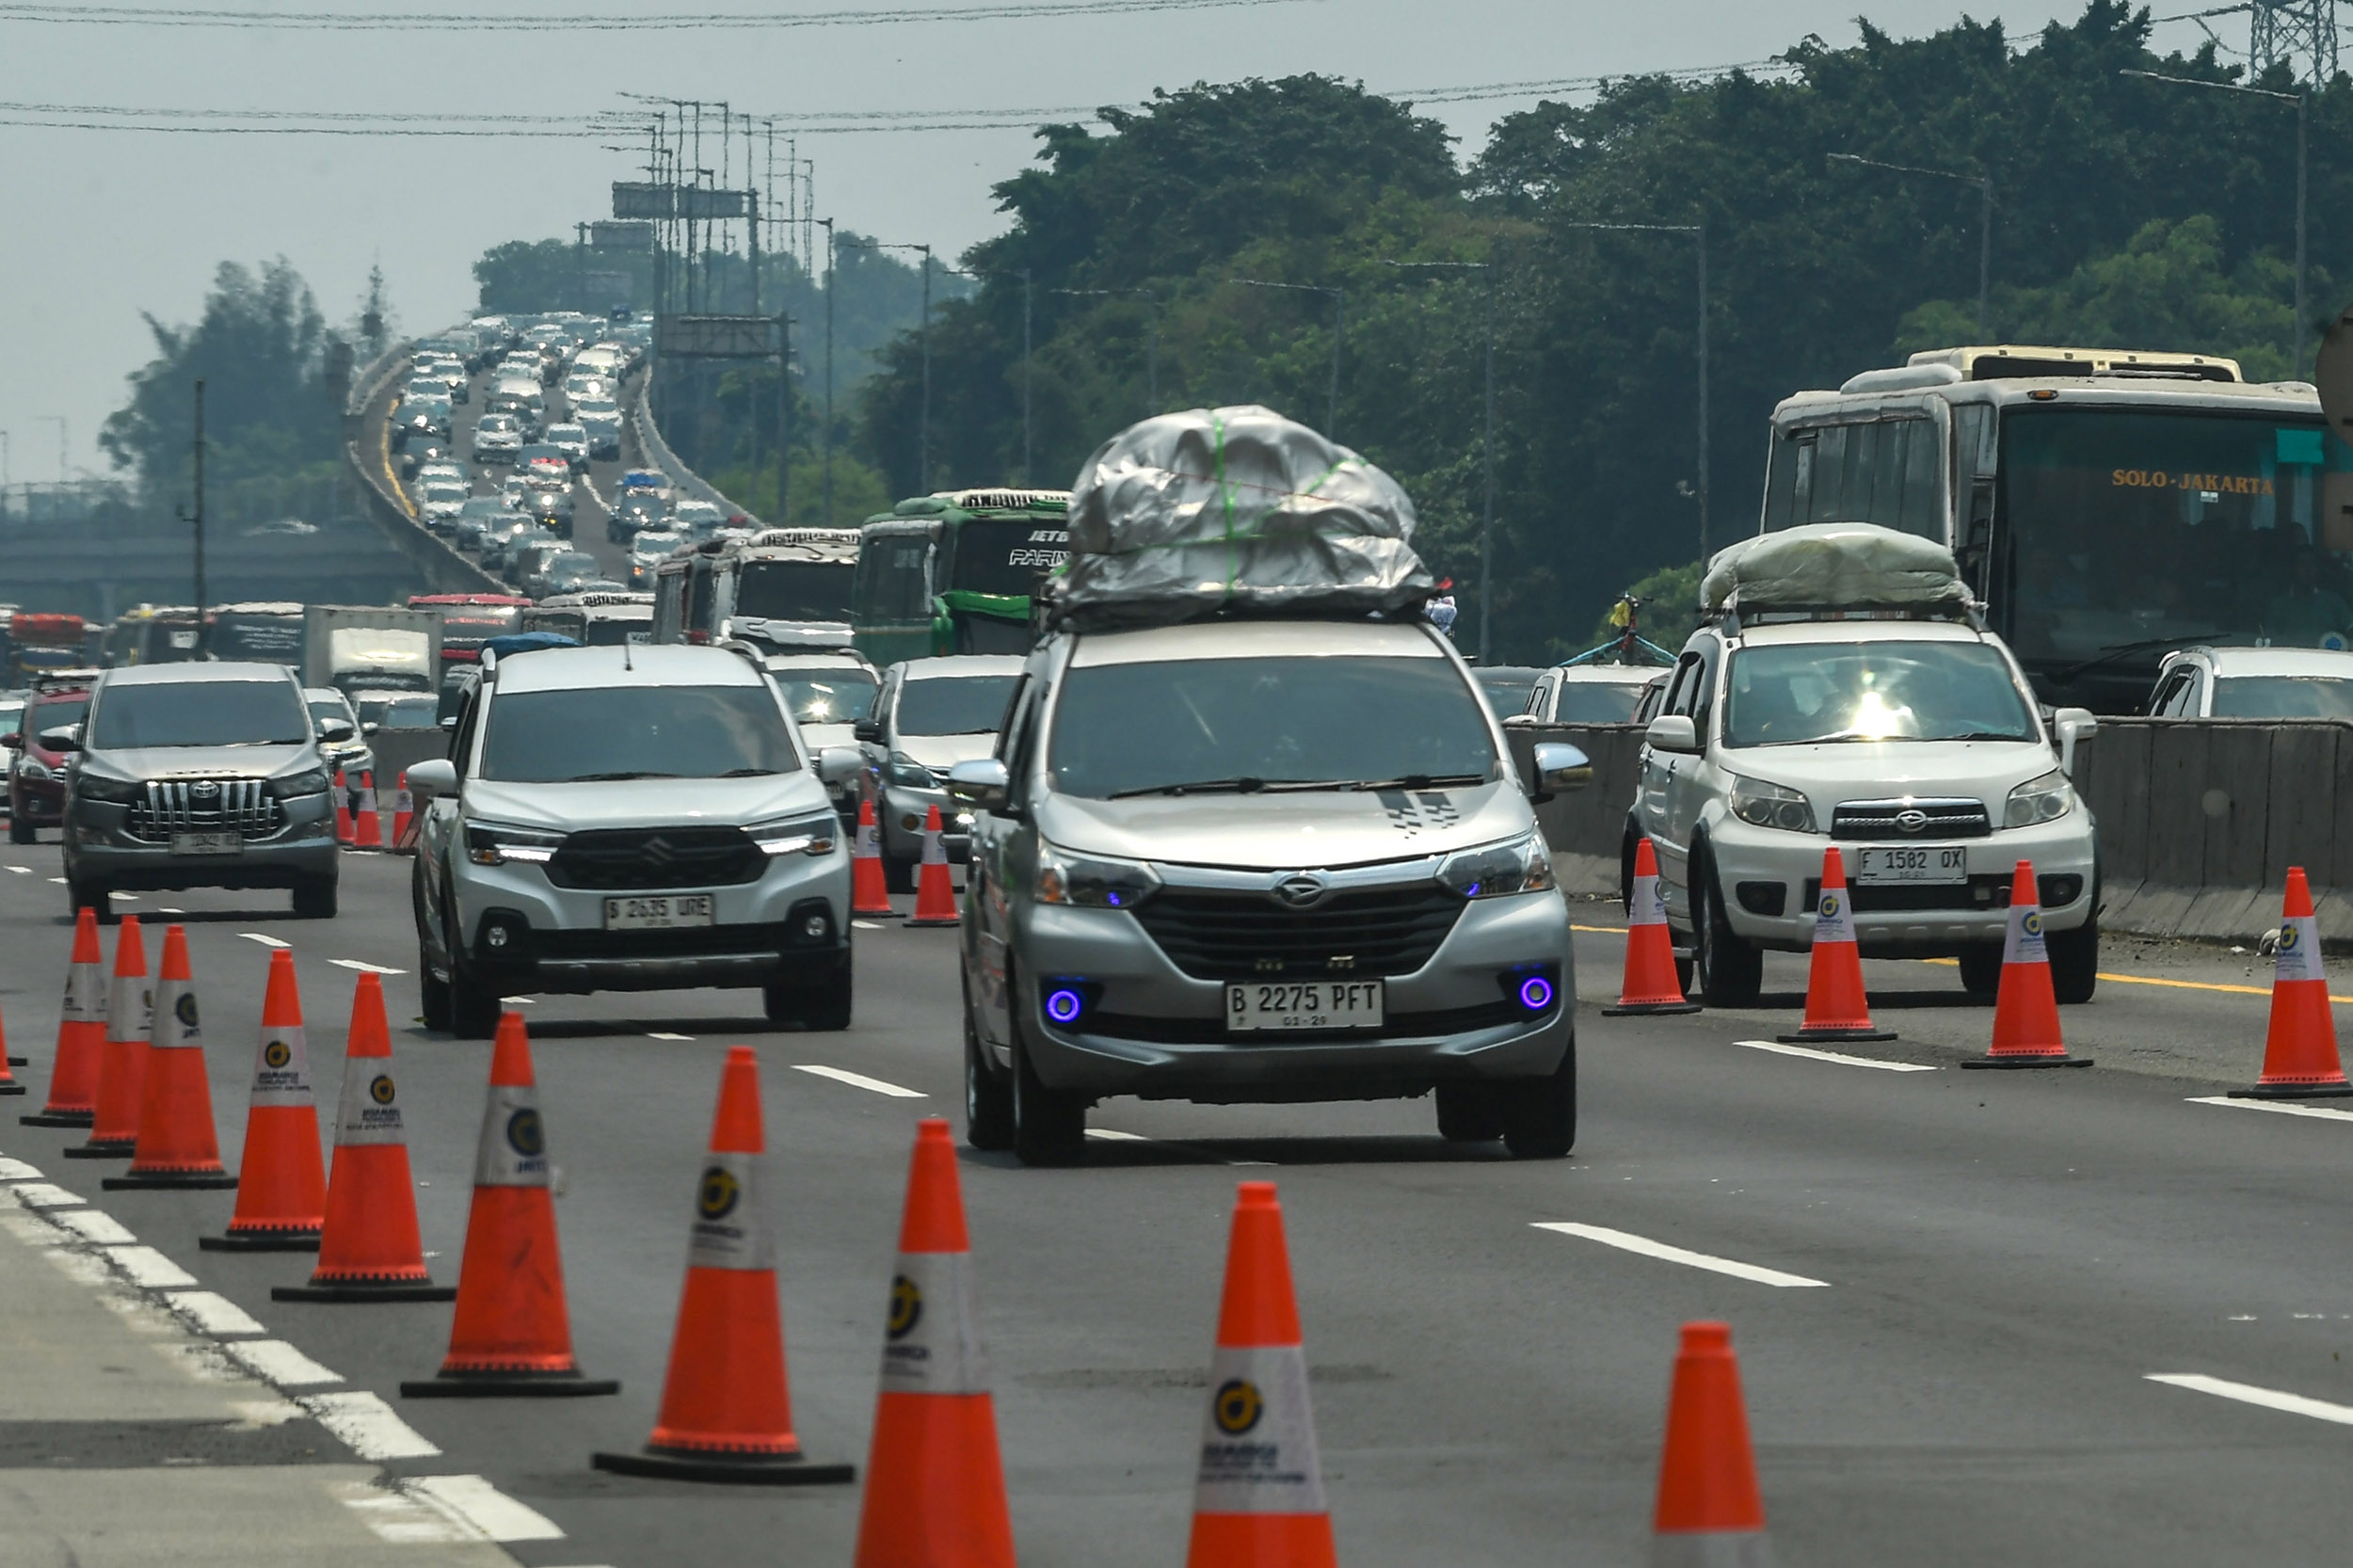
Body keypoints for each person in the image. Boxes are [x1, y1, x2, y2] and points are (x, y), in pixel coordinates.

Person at [2262, 550, 2353, 648]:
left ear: (2318, 569)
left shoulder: (2333, 601)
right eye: (2302, 563)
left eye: (2312, 563)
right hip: (2287, 659)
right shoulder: (2279, 604)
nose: (2307, 568)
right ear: (2293, 568)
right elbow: (2268, 639)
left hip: (2327, 659)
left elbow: (2350, 628)